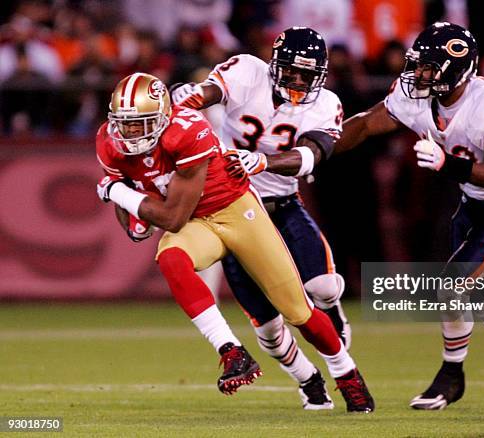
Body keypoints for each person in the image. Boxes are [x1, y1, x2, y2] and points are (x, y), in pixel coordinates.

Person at [263, 22, 484, 410]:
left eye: (428, 68)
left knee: (454, 288)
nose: (418, 75)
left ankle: (451, 375)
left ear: (456, 71)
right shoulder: (416, 97)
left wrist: (447, 164)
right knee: (477, 293)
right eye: (418, 65)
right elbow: (368, 123)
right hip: (473, 202)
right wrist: (317, 149)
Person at [95, 72, 374, 412]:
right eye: (125, 123)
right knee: (170, 259)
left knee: (297, 310)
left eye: (142, 123)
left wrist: (117, 192)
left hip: (234, 210)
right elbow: (134, 216)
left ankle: (346, 373)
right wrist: (130, 211)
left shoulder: (187, 131)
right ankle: (231, 350)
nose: (132, 133)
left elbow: (171, 218)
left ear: (164, 116)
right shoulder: (108, 142)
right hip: (198, 223)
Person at [170, 27, 357, 410]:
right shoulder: (249, 71)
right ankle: (309, 381)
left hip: (282, 204)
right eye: (294, 71)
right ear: (276, 65)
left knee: (322, 287)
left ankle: (332, 314)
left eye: (309, 74)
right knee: (270, 330)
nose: (301, 81)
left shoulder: (326, 104)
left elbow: (312, 156)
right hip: (235, 208)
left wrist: (264, 161)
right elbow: (209, 93)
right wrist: (190, 97)